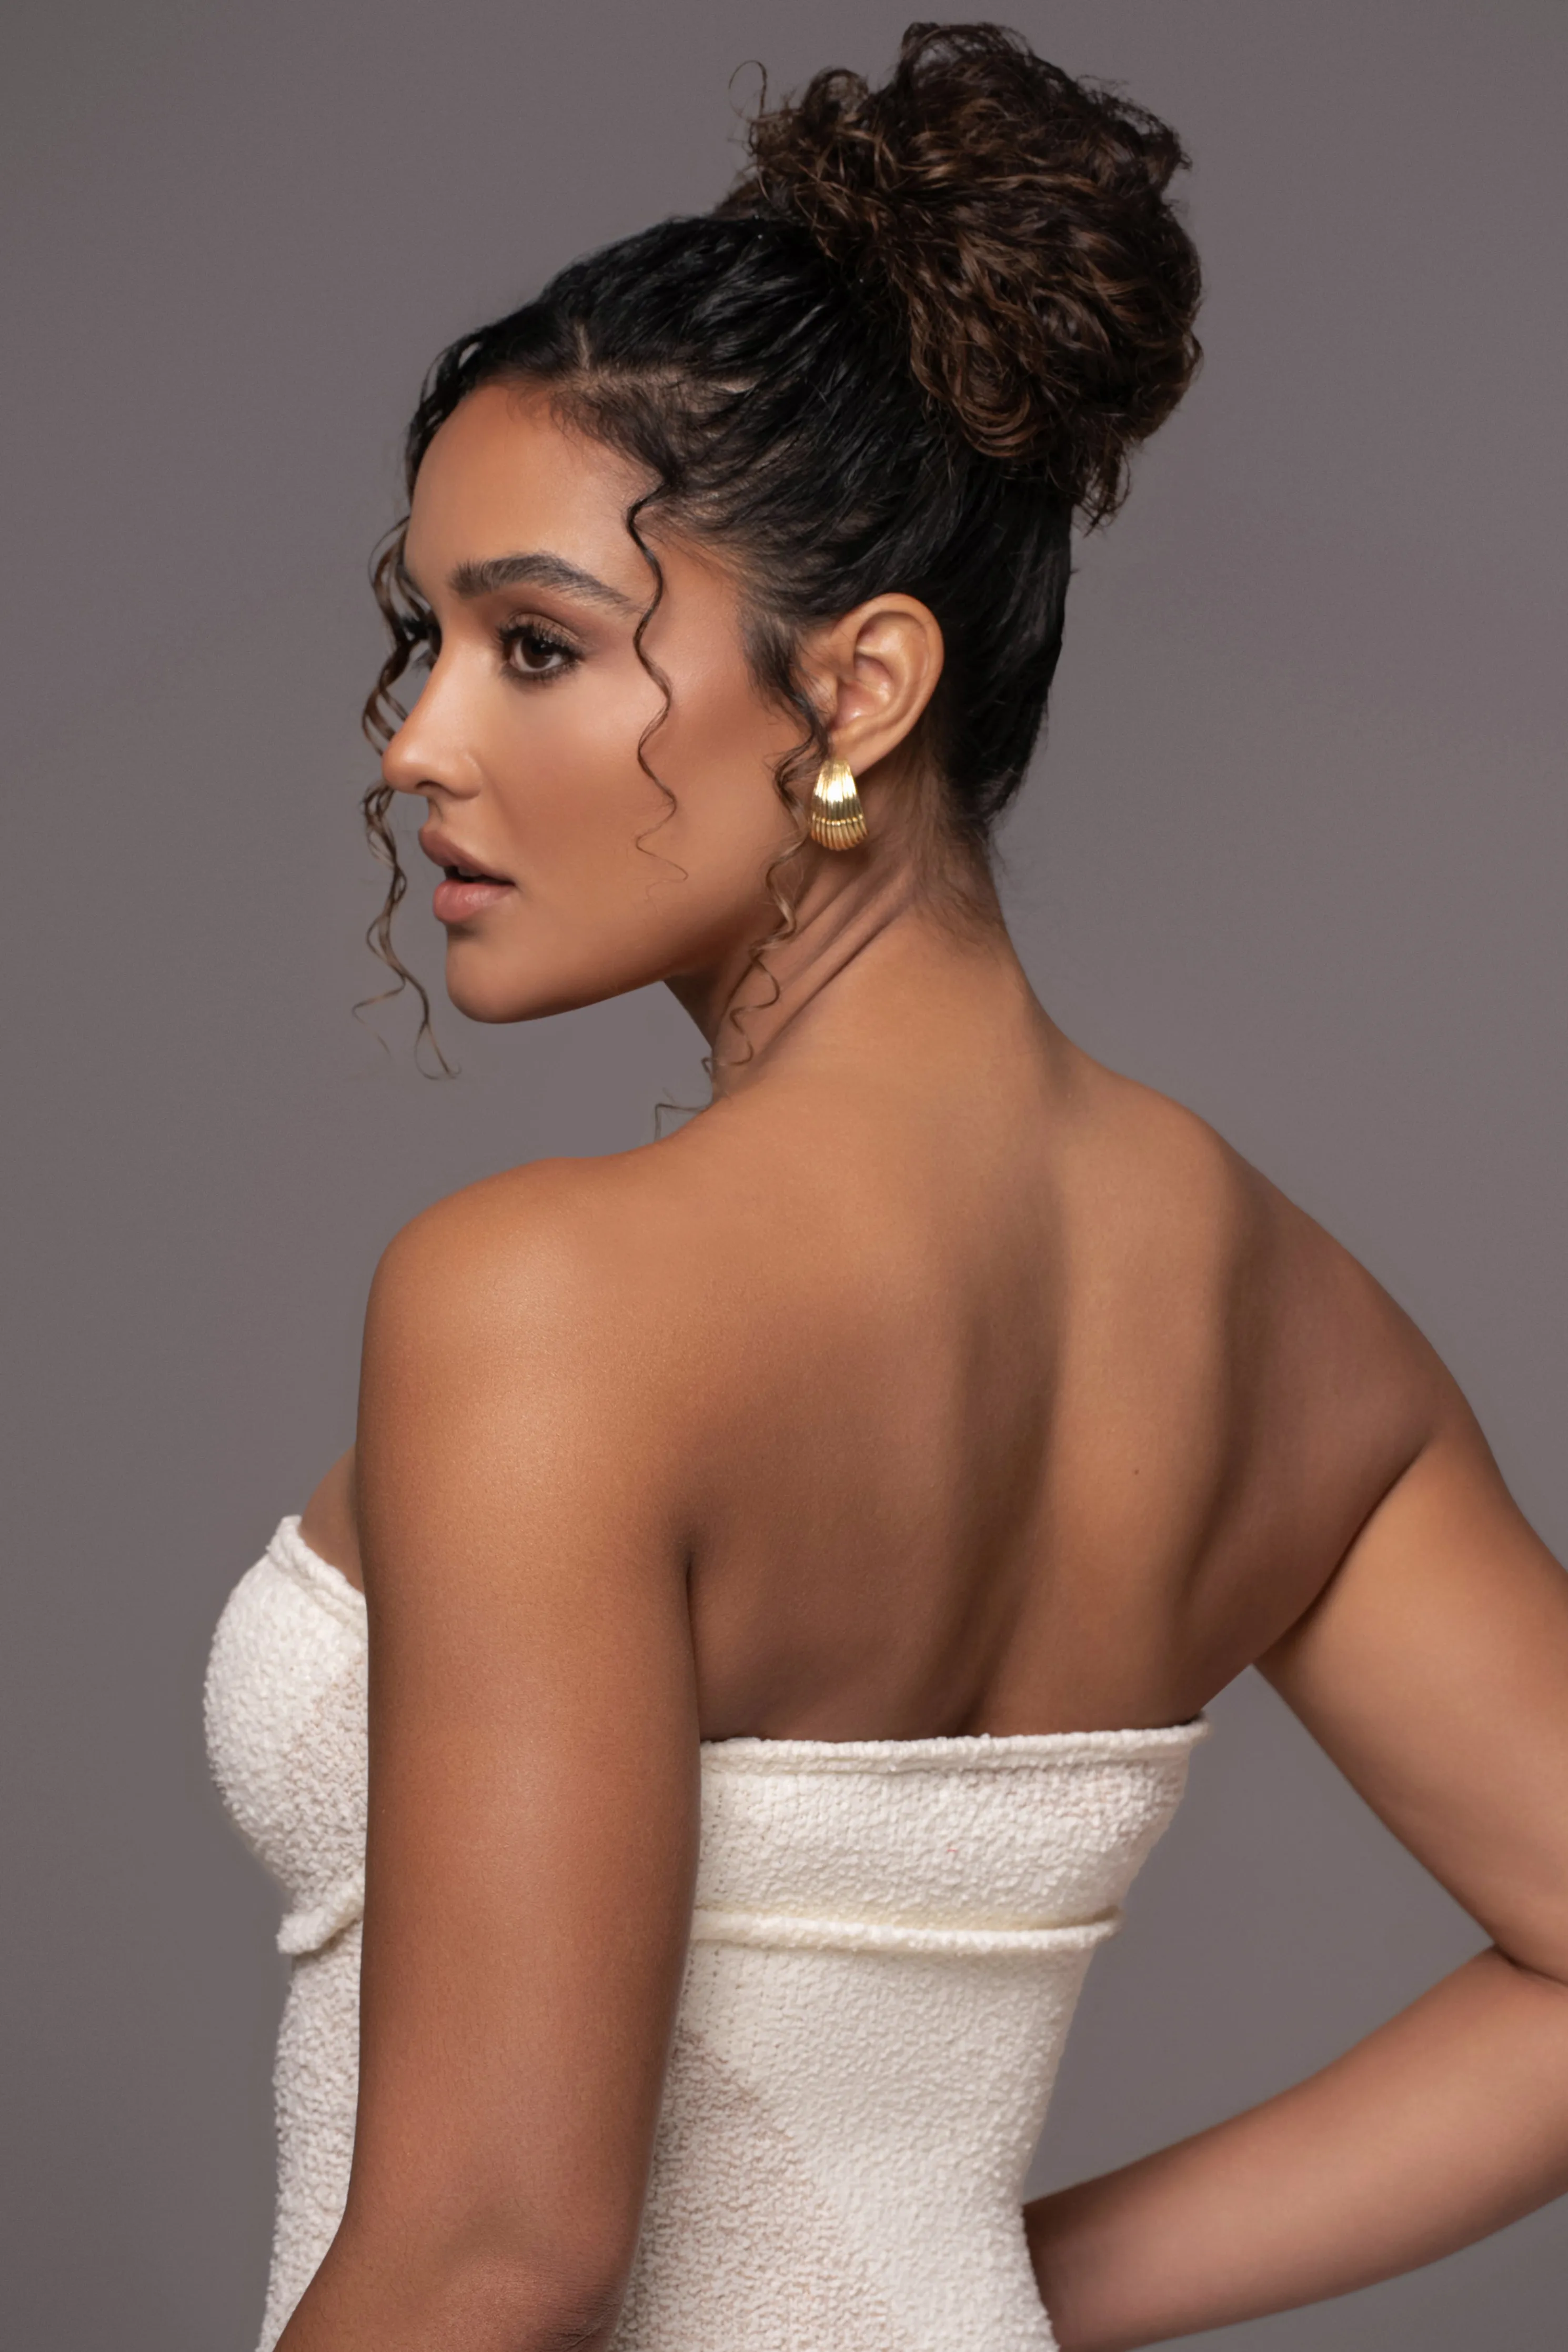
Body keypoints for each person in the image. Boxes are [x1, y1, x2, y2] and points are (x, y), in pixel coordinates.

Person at [204, 24, 1568, 2351]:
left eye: (534, 644)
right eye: (421, 638)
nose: (417, 739)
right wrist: (953, 2294)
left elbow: (491, 2252)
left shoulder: (543, 1301)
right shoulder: (1288, 1315)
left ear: (855, 693)